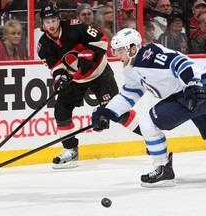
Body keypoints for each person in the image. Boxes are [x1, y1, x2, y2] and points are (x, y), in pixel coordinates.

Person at [91, 28, 206, 187]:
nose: (117, 56)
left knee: (148, 122)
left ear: (132, 48)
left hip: (196, 88)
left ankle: (163, 169)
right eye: (114, 51)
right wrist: (108, 112)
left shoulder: (148, 56)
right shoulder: (131, 68)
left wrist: (193, 82)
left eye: (119, 51)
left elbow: (180, 62)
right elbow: (129, 94)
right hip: (191, 89)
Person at [38, 4, 141, 169]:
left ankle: (150, 136)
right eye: (47, 21)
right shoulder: (43, 46)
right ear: (42, 24)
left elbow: (102, 39)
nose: (51, 24)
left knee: (118, 111)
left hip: (99, 73)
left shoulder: (75, 27)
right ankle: (71, 150)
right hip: (76, 79)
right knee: (61, 111)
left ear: (59, 19)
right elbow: (55, 67)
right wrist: (60, 79)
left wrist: (90, 55)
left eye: (54, 20)